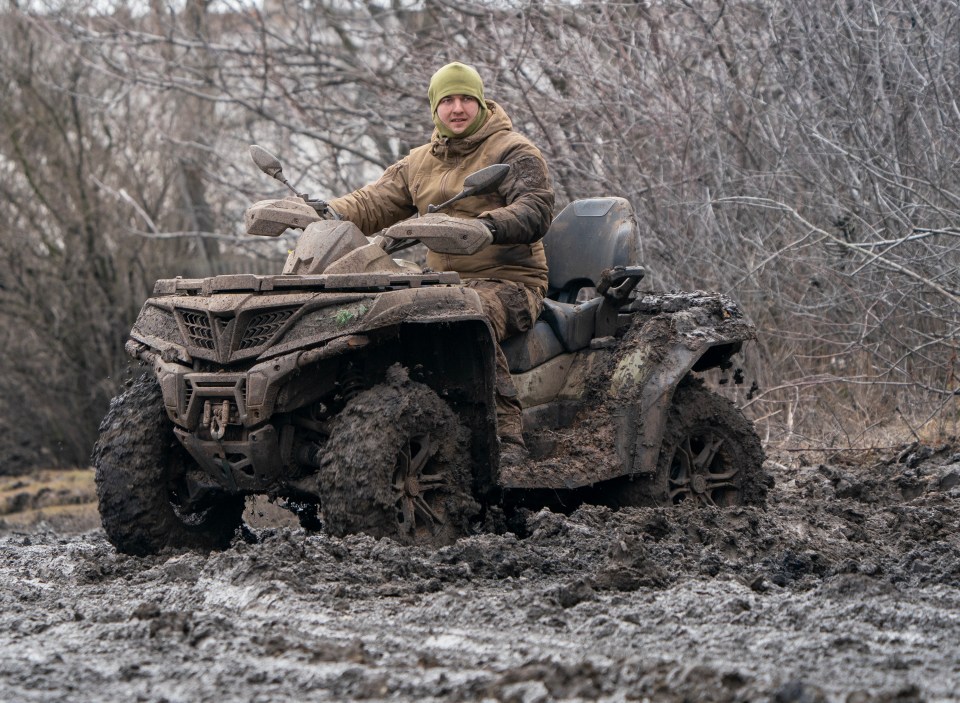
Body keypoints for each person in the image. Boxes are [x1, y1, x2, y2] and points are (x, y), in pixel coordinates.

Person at [327, 61, 555, 467]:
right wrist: (320, 212)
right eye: (447, 99)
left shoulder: (512, 150)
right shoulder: (419, 161)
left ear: (481, 103)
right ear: (434, 108)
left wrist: (488, 226)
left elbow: (536, 208)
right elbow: (370, 203)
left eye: (466, 98)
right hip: (444, 282)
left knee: (471, 312)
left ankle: (507, 437)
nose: (457, 108)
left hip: (510, 281)